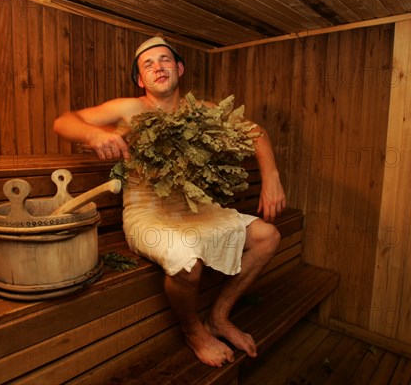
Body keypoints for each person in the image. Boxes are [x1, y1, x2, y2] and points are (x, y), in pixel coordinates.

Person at [54, 37, 286, 367]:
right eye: (148, 65)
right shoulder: (129, 108)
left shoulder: (202, 111)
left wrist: (271, 177)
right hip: (147, 214)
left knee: (268, 237)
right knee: (186, 260)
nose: (157, 67)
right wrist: (95, 135)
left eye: (164, 60)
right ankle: (193, 330)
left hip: (194, 208)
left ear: (179, 69)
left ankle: (219, 317)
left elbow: (255, 131)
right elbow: (64, 121)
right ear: (140, 79)